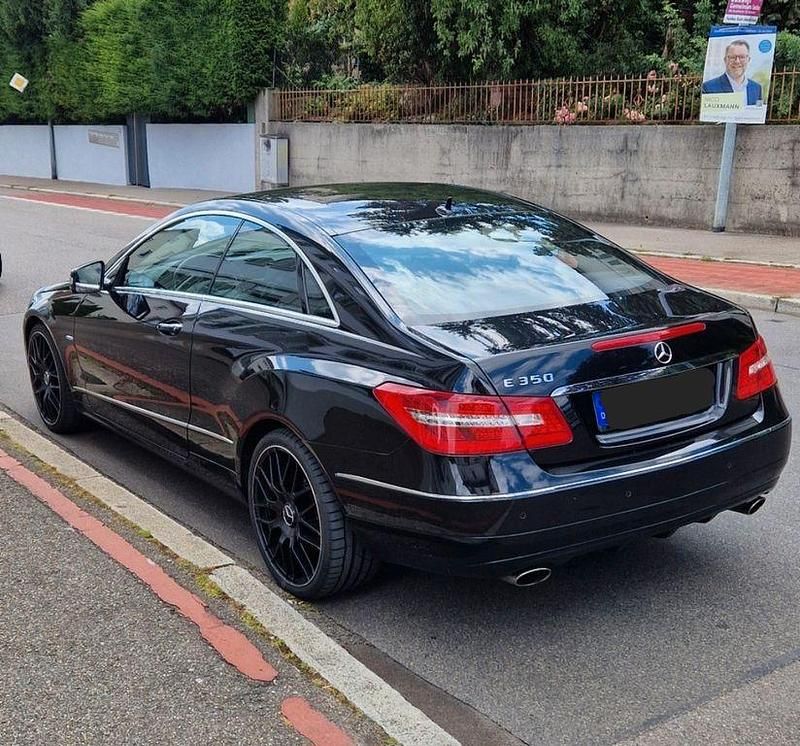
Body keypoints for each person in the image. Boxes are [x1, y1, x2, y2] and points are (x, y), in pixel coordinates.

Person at [702, 39, 763, 105]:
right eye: (732, 57)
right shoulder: (709, 87)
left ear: (748, 60)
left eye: (742, 57)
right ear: (725, 60)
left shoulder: (757, 88)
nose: (737, 61)